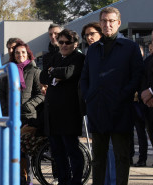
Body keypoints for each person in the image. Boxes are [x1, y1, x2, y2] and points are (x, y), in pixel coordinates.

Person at [80, 7, 144, 185]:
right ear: (100, 23)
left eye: (111, 21)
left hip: (120, 110)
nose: (107, 24)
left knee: (121, 157)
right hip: (97, 110)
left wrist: (123, 96)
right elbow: (85, 76)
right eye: (104, 21)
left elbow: (137, 76)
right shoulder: (93, 50)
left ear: (118, 23)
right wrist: (88, 96)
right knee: (98, 158)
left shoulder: (130, 47)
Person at [39, 29, 85, 185]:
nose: (64, 45)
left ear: (75, 44)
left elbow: (68, 73)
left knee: (72, 150)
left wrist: (54, 71)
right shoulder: (55, 57)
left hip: (69, 113)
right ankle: (63, 180)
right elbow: (43, 76)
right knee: (57, 152)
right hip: (52, 113)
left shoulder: (79, 58)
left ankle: (76, 180)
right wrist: (54, 73)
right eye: (61, 42)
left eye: (68, 42)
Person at [0, 41, 44, 185]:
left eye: (23, 52)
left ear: (28, 53)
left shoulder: (35, 72)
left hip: (28, 116)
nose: (20, 55)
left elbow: (40, 94)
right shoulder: (7, 72)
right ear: (13, 55)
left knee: (26, 151)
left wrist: (28, 105)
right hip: (12, 116)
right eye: (17, 52)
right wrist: (7, 110)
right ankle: (15, 179)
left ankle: (27, 180)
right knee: (12, 150)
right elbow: (2, 94)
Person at [140, 30, 153, 167]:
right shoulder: (149, 60)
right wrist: (146, 96)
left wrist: (151, 92)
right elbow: (143, 78)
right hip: (149, 108)